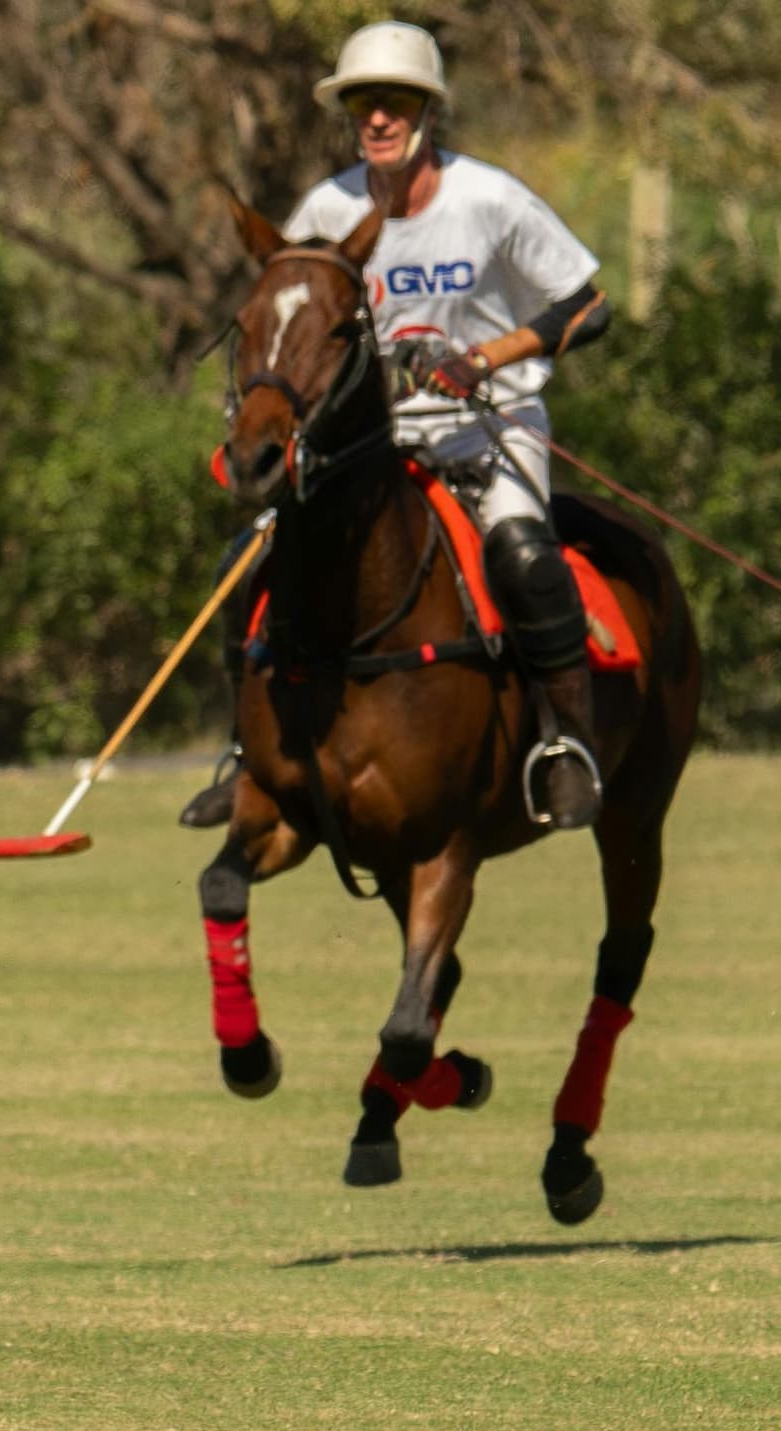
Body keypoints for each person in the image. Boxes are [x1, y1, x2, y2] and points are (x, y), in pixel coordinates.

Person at [285, 21, 615, 830]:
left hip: (485, 423)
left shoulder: (490, 199)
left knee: (524, 554)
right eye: (364, 105)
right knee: (275, 550)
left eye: (394, 103)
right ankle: (255, 750)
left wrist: (486, 357)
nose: (377, 120)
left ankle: (565, 743)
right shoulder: (327, 209)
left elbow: (589, 304)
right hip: (369, 442)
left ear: (427, 112)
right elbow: (291, 317)